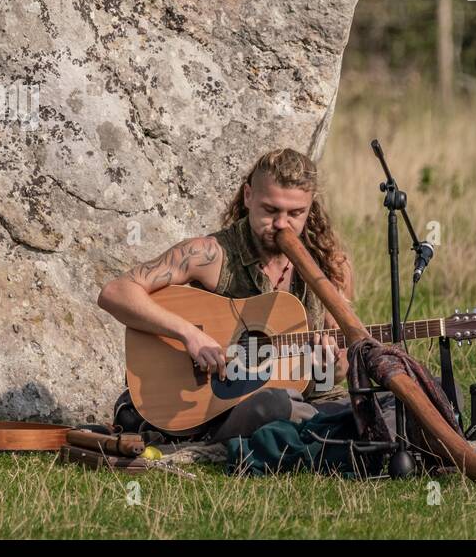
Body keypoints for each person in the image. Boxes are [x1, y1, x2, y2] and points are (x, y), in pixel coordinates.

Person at [97, 148, 354, 441]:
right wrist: (189, 335)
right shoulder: (209, 254)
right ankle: (310, 433)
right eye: (270, 210)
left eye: (296, 213)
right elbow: (115, 292)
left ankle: (311, 431)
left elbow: (336, 371)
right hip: (226, 408)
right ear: (248, 197)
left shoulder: (333, 268)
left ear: (310, 206)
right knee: (271, 404)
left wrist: (332, 369)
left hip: (307, 399)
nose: (282, 224)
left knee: (383, 407)